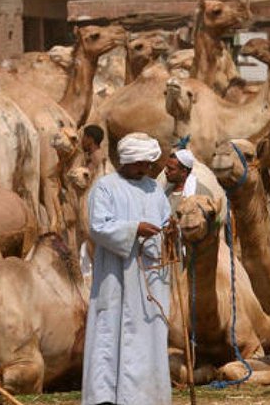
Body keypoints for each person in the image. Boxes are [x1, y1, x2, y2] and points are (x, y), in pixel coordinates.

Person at [82, 132, 172, 405]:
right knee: (110, 328)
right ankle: (105, 395)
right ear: (128, 160)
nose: (146, 168)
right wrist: (134, 230)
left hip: (151, 276)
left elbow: (165, 218)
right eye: (141, 163)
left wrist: (171, 231)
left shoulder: (155, 189)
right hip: (117, 273)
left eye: (148, 163)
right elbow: (98, 226)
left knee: (150, 331)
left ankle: (148, 396)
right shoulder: (105, 187)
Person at [164, 148, 212, 214]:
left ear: (184, 172)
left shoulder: (201, 193)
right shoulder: (167, 191)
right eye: (166, 167)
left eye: (171, 169)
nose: (166, 171)